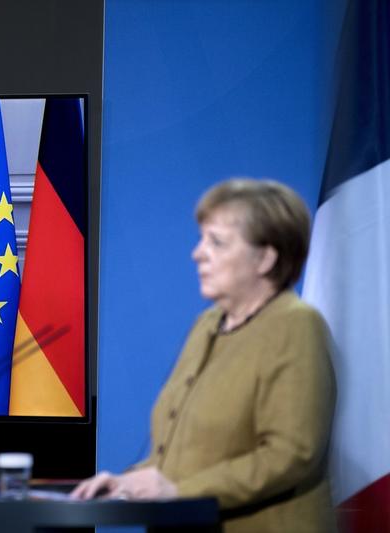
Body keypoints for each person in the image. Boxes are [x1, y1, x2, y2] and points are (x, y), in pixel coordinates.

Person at [72, 178, 337, 532]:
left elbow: (291, 454)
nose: (197, 253)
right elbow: (184, 452)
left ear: (265, 258)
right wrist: (128, 482)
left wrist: (180, 492)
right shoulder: (208, 324)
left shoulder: (296, 325)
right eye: (202, 239)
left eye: (217, 242)